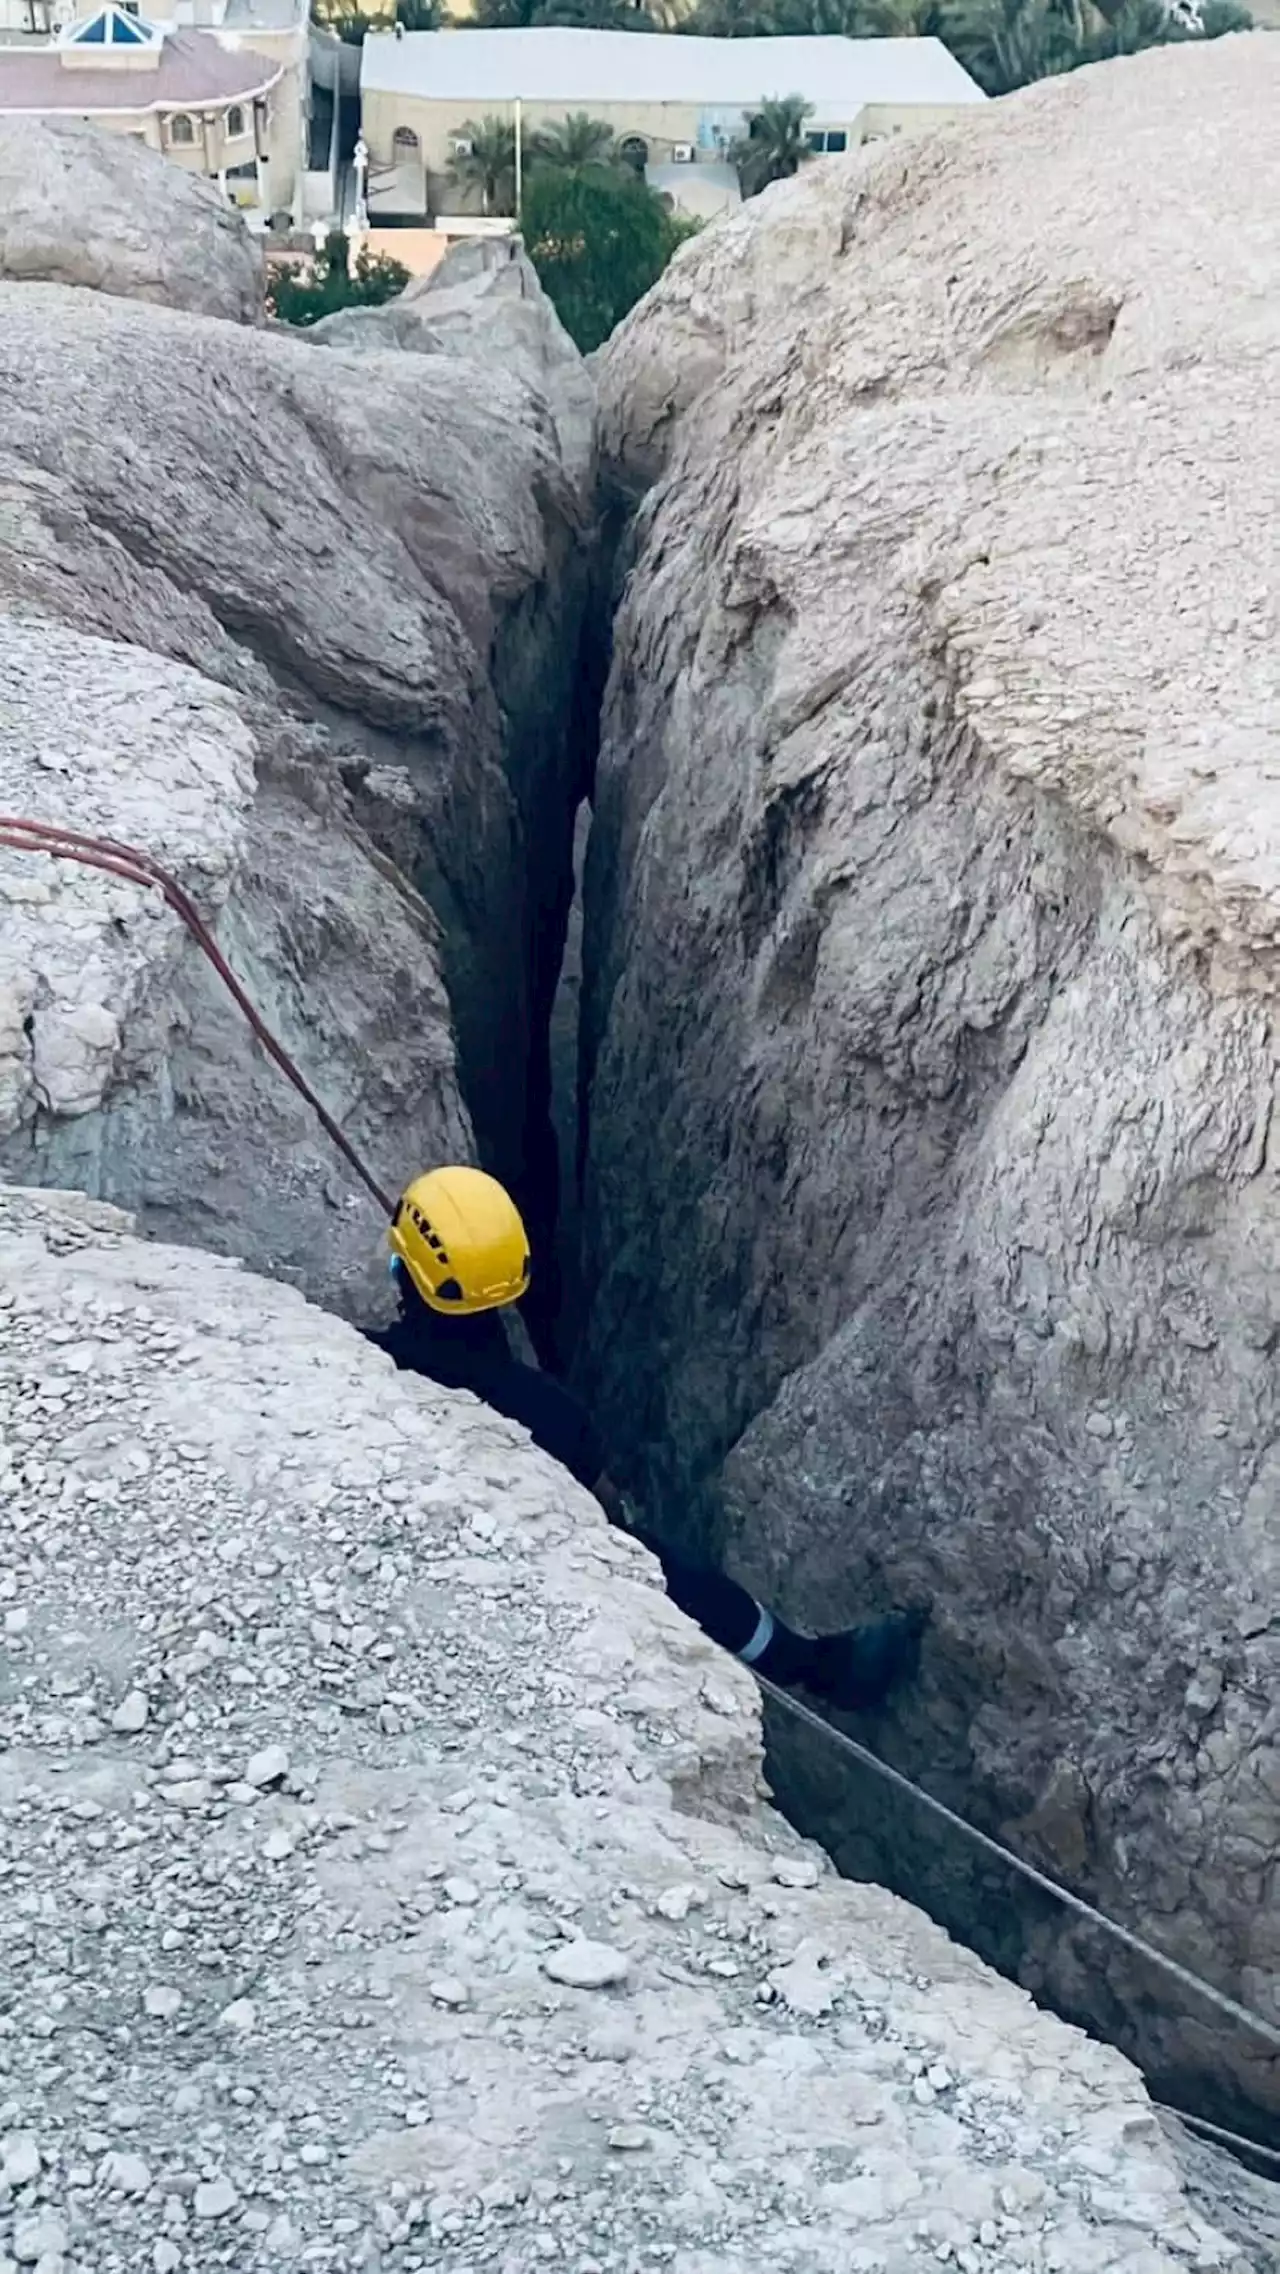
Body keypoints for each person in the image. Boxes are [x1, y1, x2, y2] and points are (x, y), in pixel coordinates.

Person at [365, 1166, 925, 1713]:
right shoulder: (551, 1413)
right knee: (674, 1572)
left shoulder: (361, 1361)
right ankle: (817, 1668)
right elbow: (607, 1512)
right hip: (569, 1595)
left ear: (402, 1270)